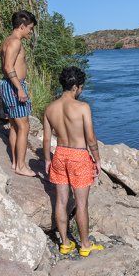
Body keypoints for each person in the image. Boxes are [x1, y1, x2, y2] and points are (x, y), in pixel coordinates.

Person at [43, 66, 104, 257]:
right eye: (81, 87)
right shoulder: (82, 107)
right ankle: (85, 245)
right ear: (76, 87)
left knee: (61, 201)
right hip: (79, 156)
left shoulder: (50, 108)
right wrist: (97, 159)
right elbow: (91, 139)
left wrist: (47, 160)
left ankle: (65, 243)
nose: (81, 91)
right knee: (81, 204)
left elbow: (46, 139)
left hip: (60, 154)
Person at [0, 10, 37, 177]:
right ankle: (21, 166)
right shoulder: (15, 42)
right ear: (22, 26)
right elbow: (8, 67)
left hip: (8, 85)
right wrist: (20, 88)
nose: (31, 31)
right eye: (30, 28)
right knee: (24, 126)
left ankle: (16, 163)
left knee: (15, 126)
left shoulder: (7, 40)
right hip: (14, 86)